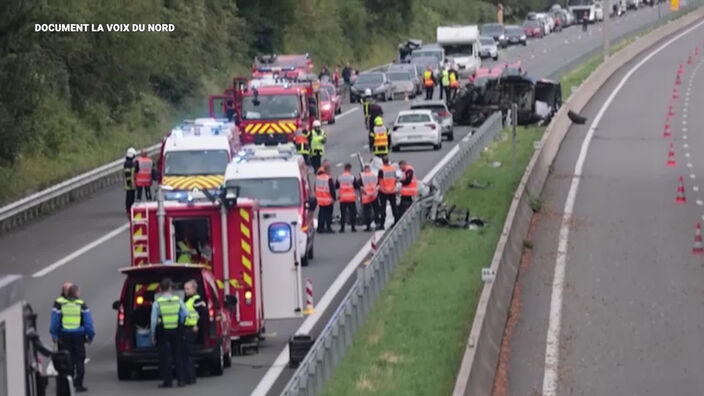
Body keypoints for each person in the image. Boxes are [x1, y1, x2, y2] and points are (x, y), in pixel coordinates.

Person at [50, 284, 95, 393]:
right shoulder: (81, 305)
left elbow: (55, 322)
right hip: (79, 336)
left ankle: (68, 383)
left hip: (64, 336)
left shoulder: (61, 305)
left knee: (67, 360)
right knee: (79, 359)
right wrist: (90, 336)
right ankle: (78, 384)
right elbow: (88, 323)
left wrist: (54, 335)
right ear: (76, 293)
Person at [151, 278, 188, 388]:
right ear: (170, 288)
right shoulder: (178, 300)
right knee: (178, 355)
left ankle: (168, 381)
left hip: (164, 332)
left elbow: (153, 320)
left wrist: (153, 334)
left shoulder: (158, 303)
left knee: (166, 357)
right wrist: (180, 321)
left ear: (160, 289)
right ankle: (181, 380)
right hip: (176, 330)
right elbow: (186, 313)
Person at [182, 279, 207, 386]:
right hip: (187, 328)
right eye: (184, 289)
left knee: (188, 354)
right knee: (186, 354)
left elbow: (203, 314)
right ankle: (189, 376)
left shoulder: (196, 300)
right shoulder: (189, 299)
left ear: (193, 289)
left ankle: (191, 377)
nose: (185, 291)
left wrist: (197, 325)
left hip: (191, 329)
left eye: (187, 289)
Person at [336, 163, 359, 233]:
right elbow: (356, 186)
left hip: (343, 198)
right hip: (351, 198)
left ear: (344, 168)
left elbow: (336, 186)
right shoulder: (352, 177)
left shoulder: (340, 177)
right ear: (349, 169)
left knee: (343, 214)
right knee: (352, 213)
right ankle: (353, 227)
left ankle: (342, 228)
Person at [377, 156, 399, 229]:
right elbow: (395, 179)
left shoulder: (381, 170)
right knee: (394, 207)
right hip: (392, 190)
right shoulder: (393, 169)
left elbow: (379, 181)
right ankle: (396, 222)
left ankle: (382, 225)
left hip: (383, 191)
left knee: (383, 208)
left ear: (382, 162)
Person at [358, 164, 380, 231]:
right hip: (374, 196)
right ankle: (377, 224)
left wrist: (366, 192)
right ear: (370, 169)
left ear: (364, 169)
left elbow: (360, 186)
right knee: (376, 210)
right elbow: (378, 185)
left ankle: (368, 226)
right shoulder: (374, 175)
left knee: (367, 212)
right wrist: (374, 192)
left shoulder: (362, 176)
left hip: (366, 197)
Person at [315, 166, 336, 233]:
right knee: (328, 215)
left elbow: (315, 188)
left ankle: (320, 228)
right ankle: (328, 227)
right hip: (328, 200)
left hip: (320, 199)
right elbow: (332, 189)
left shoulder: (317, 178)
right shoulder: (328, 178)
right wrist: (334, 198)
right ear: (326, 171)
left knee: (321, 214)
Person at [123, 147, 138, 215]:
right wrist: (130, 183)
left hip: (130, 183)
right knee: (130, 197)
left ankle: (129, 208)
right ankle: (129, 209)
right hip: (130, 184)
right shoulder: (129, 164)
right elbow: (128, 174)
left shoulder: (127, 163)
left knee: (130, 196)